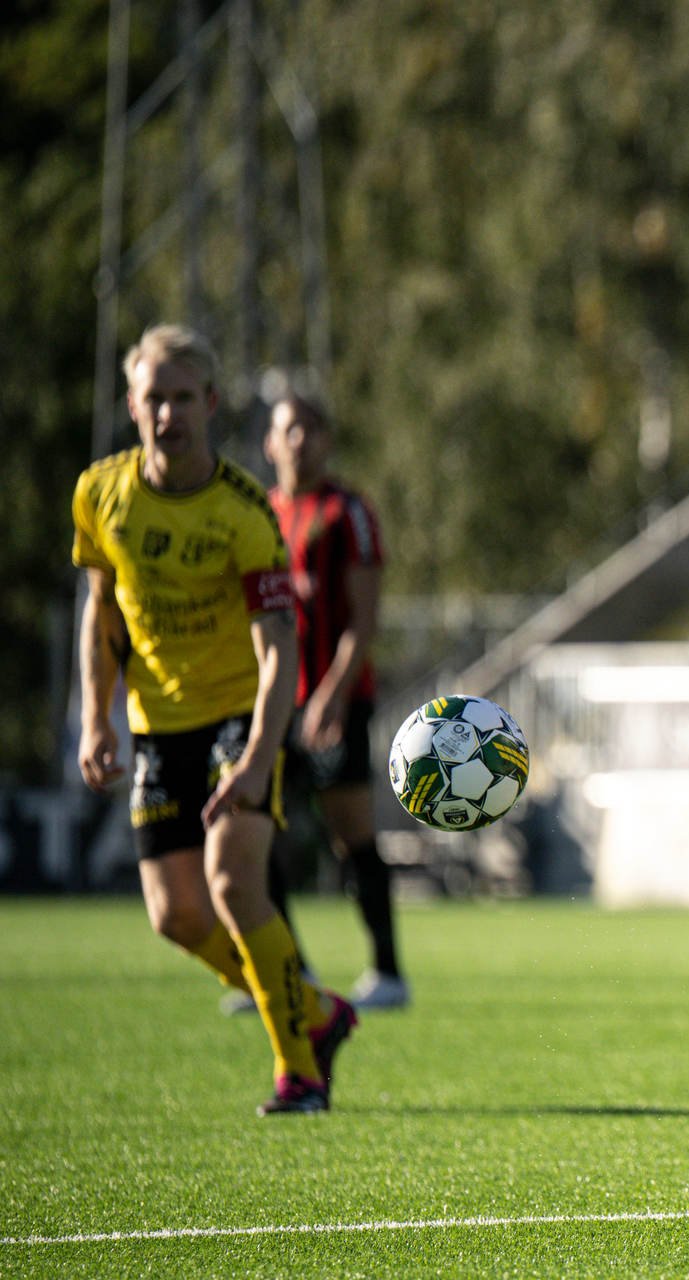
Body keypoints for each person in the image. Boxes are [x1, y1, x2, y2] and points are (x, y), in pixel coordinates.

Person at [73, 324, 357, 1115]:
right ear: (132, 405)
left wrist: (259, 754)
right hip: (157, 726)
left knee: (234, 883)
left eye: (183, 398)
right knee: (175, 916)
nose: (169, 414)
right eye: (153, 399)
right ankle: (315, 1009)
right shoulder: (100, 495)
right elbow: (101, 619)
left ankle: (297, 1070)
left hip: (239, 715)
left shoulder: (243, 514)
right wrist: (96, 720)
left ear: (212, 404)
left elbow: (279, 650)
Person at [261, 386, 409, 1010]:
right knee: (256, 835)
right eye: (289, 428)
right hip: (273, 702)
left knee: (350, 834)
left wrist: (331, 695)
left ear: (327, 440)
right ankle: (287, 975)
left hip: (336, 700)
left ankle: (388, 972)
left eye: (312, 427)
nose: (300, 440)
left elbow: (363, 620)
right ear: (269, 443)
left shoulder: (347, 512)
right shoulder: (261, 514)